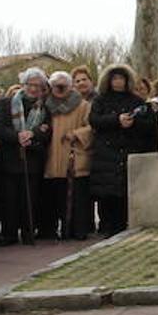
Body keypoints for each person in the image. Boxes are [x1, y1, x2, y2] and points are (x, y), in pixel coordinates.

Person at [89, 64, 156, 236]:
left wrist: (133, 122)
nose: (118, 82)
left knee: (123, 192)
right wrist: (116, 120)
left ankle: (121, 225)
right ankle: (106, 225)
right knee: (105, 193)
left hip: (128, 150)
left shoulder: (136, 101)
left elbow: (148, 124)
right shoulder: (100, 100)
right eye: (114, 79)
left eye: (121, 78)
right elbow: (94, 120)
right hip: (105, 152)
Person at [0, 68, 53, 246]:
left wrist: (32, 135)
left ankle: (28, 232)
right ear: (23, 85)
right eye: (30, 85)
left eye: (38, 86)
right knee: (9, 199)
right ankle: (9, 234)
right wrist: (17, 136)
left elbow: (47, 131)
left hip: (32, 158)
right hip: (9, 158)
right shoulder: (6, 103)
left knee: (30, 199)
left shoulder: (44, 108)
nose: (33, 89)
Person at [42, 71, 93, 241]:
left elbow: (92, 127)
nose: (60, 89)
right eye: (56, 86)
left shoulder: (83, 105)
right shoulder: (45, 106)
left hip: (74, 156)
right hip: (52, 157)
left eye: (63, 86)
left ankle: (77, 231)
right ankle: (52, 231)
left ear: (70, 86)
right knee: (54, 197)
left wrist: (77, 134)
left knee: (77, 198)